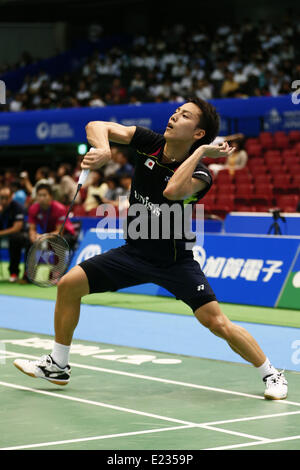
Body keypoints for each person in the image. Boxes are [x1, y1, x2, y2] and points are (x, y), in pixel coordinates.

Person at [13, 98, 287, 400]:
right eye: (176, 111)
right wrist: (103, 148)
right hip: (133, 253)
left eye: (184, 116)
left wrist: (198, 155)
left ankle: (271, 373)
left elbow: (172, 192)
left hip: (174, 263)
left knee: (217, 322)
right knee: (67, 285)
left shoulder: (201, 174)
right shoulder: (149, 142)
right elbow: (96, 125)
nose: (173, 116)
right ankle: (58, 364)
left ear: (198, 134)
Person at [0, 186, 27, 282]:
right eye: (1, 198)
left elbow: (17, 228)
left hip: (18, 235)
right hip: (3, 235)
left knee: (15, 238)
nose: (3, 200)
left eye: (5, 198)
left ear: (11, 197)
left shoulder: (18, 207)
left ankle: (14, 272)